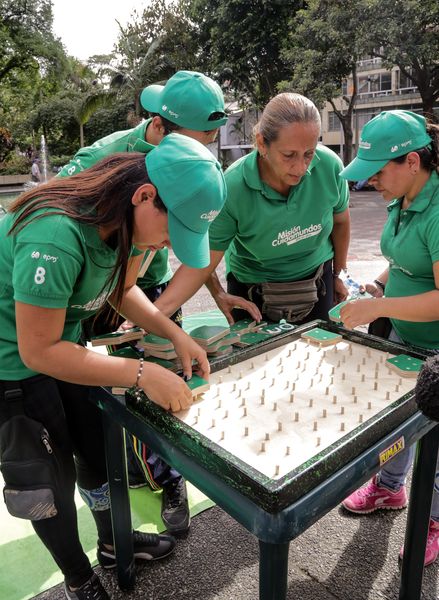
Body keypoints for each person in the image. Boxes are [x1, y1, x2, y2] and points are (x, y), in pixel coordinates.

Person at [0, 133, 226, 599]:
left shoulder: (127, 224)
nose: (169, 244)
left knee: (96, 453)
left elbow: (121, 292)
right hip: (14, 363)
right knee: (47, 483)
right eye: (172, 229)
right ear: (145, 195)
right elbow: (38, 351)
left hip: (63, 345)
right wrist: (142, 373)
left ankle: (112, 541)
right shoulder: (55, 234)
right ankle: (79, 579)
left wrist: (174, 332)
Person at [58, 70, 228, 535]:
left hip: (132, 285)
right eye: (202, 136)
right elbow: (66, 284)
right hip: (78, 295)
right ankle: (154, 476)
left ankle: (157, 480)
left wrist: (172, 325)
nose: (207, 148)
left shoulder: (176, 180)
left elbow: (134, 279)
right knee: (124, 392)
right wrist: (135, 366)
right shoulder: (103, 165)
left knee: (159, 375)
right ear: (162, 129)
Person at [337, 109, 439, 566]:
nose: (370, 183)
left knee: (436, 438)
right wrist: (377, 285)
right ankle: (390, 489)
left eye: (378, 172)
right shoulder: (403, 195)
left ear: (413, 162)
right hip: (404, 334)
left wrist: (375, 308)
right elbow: (402, 260)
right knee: (398, 422)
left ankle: (433, 520)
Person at [153, 92, 351, 326]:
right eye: (288, 155)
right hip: (253, 293)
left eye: (309, 154)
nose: (301, 168)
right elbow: (203, 262)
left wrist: (339, 273)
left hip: (318, 282)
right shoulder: (232, 187)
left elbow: (340, 223)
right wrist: (154, 314)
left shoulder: (329, 167)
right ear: (261, 143)